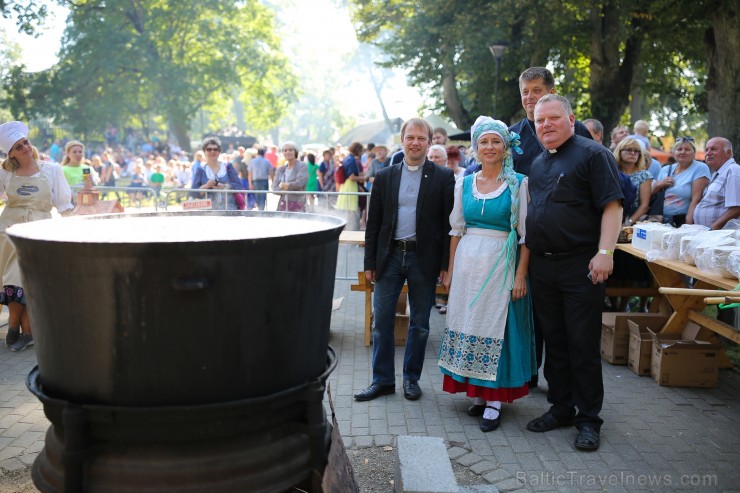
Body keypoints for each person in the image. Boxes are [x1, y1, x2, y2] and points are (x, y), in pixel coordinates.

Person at [525, 95, 623, 452]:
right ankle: (561, 407)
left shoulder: (594, 155)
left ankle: (588, 419)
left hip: (581, 264)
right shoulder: (537, 162)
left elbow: (612, 207)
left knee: (582, 343)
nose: (546, 125)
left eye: (553, 118)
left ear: (570, 119)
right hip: (544, 265)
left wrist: (604, 252)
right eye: (539, 121)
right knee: (555, 340)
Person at [438, 116, 535, 432]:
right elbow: (456, 230)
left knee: (496, 326)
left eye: (495, 141)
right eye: (484, 142)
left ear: (506, 147)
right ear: (475, 148)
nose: (489, 147)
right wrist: (451, 271)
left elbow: (526, 235)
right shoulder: (464, 184)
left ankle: (494, 399)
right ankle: (477, 393)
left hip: (500, 263)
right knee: (469, 323)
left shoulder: (519, 183)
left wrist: (521, 275)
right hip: (468, 265)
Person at [355, 117, 455, 402]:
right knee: (382, 321)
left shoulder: (443, 177)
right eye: (410, 137)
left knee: (420, 324)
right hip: (389, 258)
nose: (415, 143)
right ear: (402, 140)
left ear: (430, 141)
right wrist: (369, 263)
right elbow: (373, 223)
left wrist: (446, 265)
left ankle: (411, 378)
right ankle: (382, 380)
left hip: (423, 259)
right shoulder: (386, 176)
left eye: (421, 138)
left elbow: (449, 226)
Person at [0, 122, 73, 351]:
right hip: (8, 231)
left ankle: (17, 329)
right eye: (18, 146)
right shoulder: (4, 172)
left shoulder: (53, 170)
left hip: (39, 232)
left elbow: (64, 206)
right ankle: (19, 330)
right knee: (13, 278)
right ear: (10, 153)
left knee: (29, 280)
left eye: (25, 143)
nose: (24, 148)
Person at [652, 136, 710, 226]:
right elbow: (651, 194)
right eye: (679, 149)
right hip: (660, 220)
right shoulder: (666, 169)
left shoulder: (700, 168)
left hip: (683, 221)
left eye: (687, 149)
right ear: (674, 152)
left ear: (694, 152)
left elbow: (696, 200)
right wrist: (659, 184)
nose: (683, 152)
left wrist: (687, 226)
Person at [692, 137, 740, 230]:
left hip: (722, 237)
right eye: (707, 150)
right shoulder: (718, 173)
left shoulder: (733, 170)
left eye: (714, 149)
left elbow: (737, 208)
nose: (708, 153)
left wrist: (714, 228)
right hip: (713, 235)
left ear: (728, 153)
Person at [191, 136, 243, 210]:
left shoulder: (228, 167)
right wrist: (206, 186)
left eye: (215, 149)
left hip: (229, 210)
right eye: (209, 149)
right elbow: (193, 193)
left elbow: (238, 186)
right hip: (207, 212)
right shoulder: (200, 169)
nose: (212, 152)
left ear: (219, 151)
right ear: (204, 151)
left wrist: (225, 186)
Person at [272, 141, 308, 212]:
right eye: (285, 150)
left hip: (298, 203)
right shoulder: (280, 169)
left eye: (290, 150)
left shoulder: (302, 166)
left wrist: (283, 185)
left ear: (295, 152)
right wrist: (285, 190)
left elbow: (300, 183)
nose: (288, 152)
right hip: (283, 203)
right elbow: (274, 187)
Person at [336, 142, 364, 229]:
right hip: (350, 187)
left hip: (345, 186)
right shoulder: (351, 160)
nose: (361, 153)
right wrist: (364, 178)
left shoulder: (347, 158)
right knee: (352, 214)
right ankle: (352, 238)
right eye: (360, 150)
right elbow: (351, 177)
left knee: (348, 214)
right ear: (357, 150)